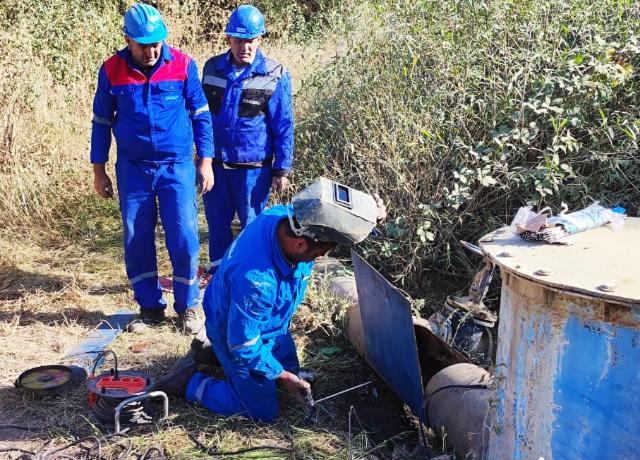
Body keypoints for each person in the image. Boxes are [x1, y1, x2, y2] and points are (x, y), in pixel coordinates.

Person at [155, 178, 386, 422]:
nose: (322, 256)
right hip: (238, 334)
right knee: (262, 411)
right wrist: (282, 377)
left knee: (288, 368)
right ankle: (192, 383)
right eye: (321, 252)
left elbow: (328, 211)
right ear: (300, 244)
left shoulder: (285, 217)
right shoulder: (257, 282)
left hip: (268, 325)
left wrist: (368, 219)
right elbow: (245, 343)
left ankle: (215, 356)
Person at [90, 3, 214, 334]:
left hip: (176, 167)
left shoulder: (184, 65)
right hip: (134, 169)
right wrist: (98, 170)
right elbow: (101, 122)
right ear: (128, 40)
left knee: (185, 235)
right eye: (144, 44)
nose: (151, 50)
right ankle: (149, 307)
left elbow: (201, 115)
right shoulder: (111, 71)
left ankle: (188, 306)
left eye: (156, 42)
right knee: (136, 235)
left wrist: (205, 161)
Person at [201, 5, 294, 275]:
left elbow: (284, 124)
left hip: (254, 172)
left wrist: (281, 169)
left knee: (252, 229)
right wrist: (201, 160)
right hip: (217, 168)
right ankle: (219, 279)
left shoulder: (274, 74)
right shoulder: (212, 69)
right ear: (228, 39)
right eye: (239, 40)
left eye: (251, 40)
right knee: (217, 227)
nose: (245, 47)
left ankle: (249, 278)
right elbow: (201, 117)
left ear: (259, 40)